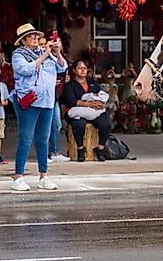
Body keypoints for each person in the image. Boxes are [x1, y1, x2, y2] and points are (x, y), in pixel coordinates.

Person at [10, 24, 67, 191]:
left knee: (43, 139)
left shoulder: (46, 54)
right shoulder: (18, 55)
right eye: (32, 36)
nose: (36, 39)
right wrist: (46, 54)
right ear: (23, 41)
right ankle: (18, 177)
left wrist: (57, 53)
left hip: (47, 101)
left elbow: (62, 67)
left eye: (36, 36)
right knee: (26, 138)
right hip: (29, 101)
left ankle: (43, 176)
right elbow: (26, 70)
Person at [62, 60, 113, 162]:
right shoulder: (70, 85)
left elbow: (101, 96)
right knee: (79, 124)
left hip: (93, 111)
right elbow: (71, 101)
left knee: (106, 123)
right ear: (74, 70)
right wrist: (89, 104)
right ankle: (80, 149)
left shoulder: (92, 83)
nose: (83, 70)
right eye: (80, 68)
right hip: (75, 111)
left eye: (84, 68)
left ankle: (100, 149)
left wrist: (100, 104)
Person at [40, 34, 70, 163]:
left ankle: (54, 152)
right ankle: (45, 153)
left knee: (56, 124)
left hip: (55, 95)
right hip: (44, 95)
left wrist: (57, 52)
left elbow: (63, 67)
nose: (54, 45)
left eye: (57, 43)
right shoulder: (44, 57)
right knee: (44, 126)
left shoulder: (56, 57)